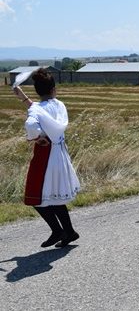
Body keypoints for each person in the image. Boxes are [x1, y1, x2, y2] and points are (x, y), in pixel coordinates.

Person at [13, 68, 81, 248]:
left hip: (45, 155)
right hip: (60, 154)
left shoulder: (36, 110)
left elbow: (32, 122)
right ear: (54, 89)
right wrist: (24, 98)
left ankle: (58, 231)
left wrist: (36, 137)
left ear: (37, 90)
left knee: (35, 196)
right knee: (55, 195)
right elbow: (42, 110)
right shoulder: (59, 105)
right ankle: (69, 232)